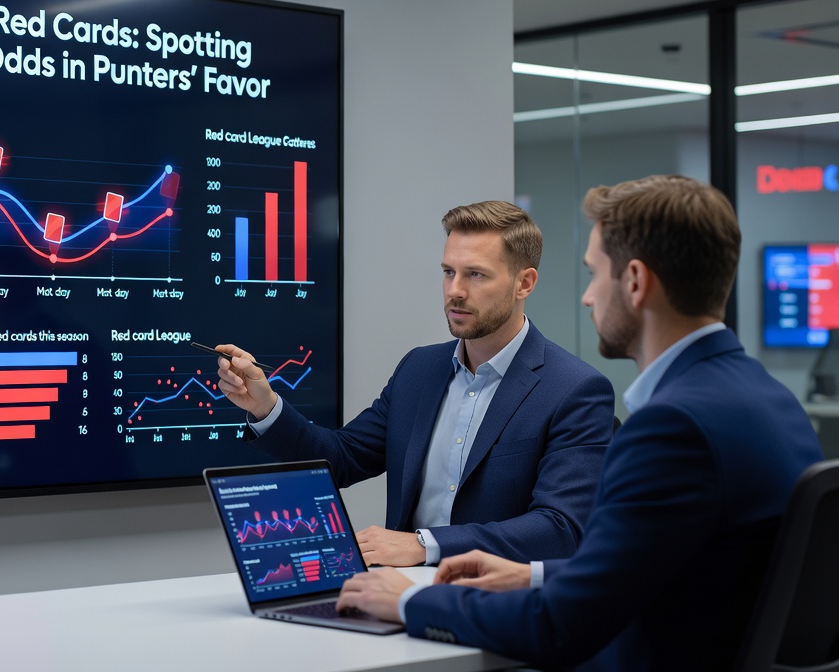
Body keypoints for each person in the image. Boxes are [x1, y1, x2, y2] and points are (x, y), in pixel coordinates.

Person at [338, 175, 824, 670]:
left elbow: (557, 627)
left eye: (595, 274)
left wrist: (407, 601)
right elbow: (655, 569)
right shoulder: (769, 398)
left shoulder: (673, 428)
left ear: (634, 281)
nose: (588, 297)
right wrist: (530, 575)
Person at [217, 201, 616, 567]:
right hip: (400, 594)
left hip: (499, 605)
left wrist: (425, 545)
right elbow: (340, 459)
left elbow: (560, 528)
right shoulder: (419, 370)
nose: (455, 290)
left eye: (476, 274)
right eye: (448, 272)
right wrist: (265, 407)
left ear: (524, 283)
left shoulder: (574, 390)